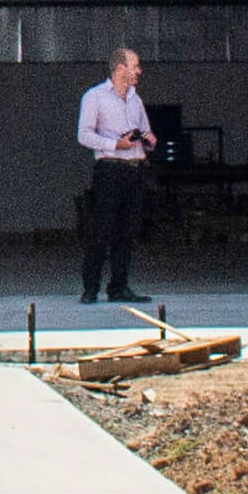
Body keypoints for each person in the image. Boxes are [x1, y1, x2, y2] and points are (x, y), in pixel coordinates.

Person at [75, 47, 155, 306]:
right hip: (109, 169)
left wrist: (149, 140)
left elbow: (145, 130)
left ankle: (119, 286)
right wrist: (114, 144)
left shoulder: (136, 99)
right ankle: (90, 288)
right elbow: (84, 135)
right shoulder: (95, 97)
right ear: (120, 68)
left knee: (127, 231)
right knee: (101, 230)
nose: (139, 71)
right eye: (135, 66)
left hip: (134, 168)